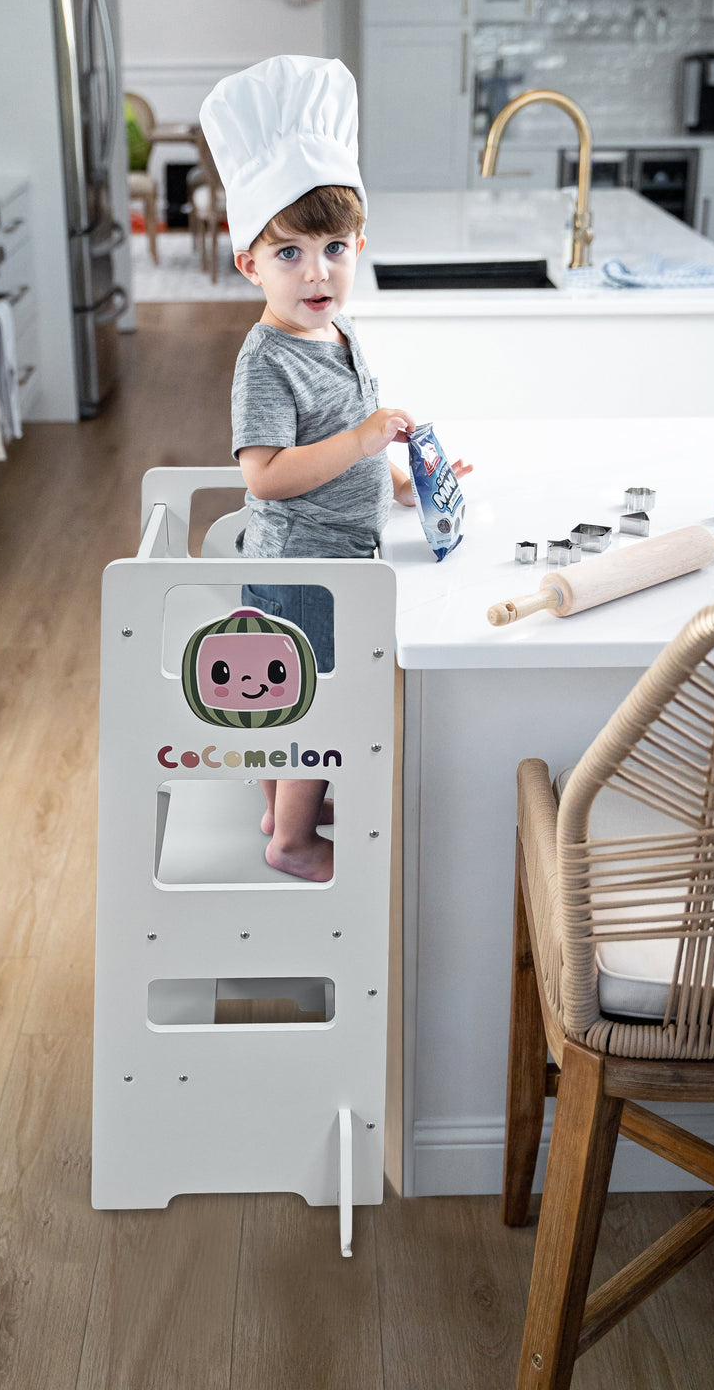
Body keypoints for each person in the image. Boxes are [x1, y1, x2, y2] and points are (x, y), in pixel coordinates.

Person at [200, 56, 471, 883]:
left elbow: (347, 446)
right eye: (288, 252)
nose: (316, 271)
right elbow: (264, 476)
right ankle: (289, 841)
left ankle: (283, 805)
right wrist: (360, 443)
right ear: (249, 263)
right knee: (314, 704)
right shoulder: (266, 360)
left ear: (359, 247)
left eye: (333, 248)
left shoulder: (339, 332)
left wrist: (402, 482)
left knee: (299, 701)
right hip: (300, 570)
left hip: (340, 560)